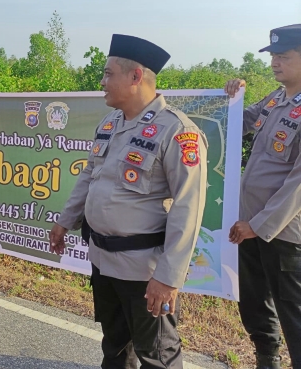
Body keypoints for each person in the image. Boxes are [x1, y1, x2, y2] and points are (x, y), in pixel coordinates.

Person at [49, 34, 208, 369]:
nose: (102, 82)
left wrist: (168, 276)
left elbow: (188, 208)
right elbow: (88, 178)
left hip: (144, 271)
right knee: (116, 348)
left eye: (108, 74)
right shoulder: (110, 123)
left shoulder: (177, 131)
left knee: (158, 356)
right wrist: (66, 220)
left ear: (135, 76)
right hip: (104, 262)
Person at [225, 24, 301, 369]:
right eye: (273, 56)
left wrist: (259, 225)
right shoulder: (275, 99)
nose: (274, 63)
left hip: (280, 231)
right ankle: (266, 358)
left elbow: (298, 184)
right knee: (254, 301)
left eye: (283, 56)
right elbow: (236, 125)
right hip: (248, 224)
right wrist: (232, 100)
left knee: (292, 309)